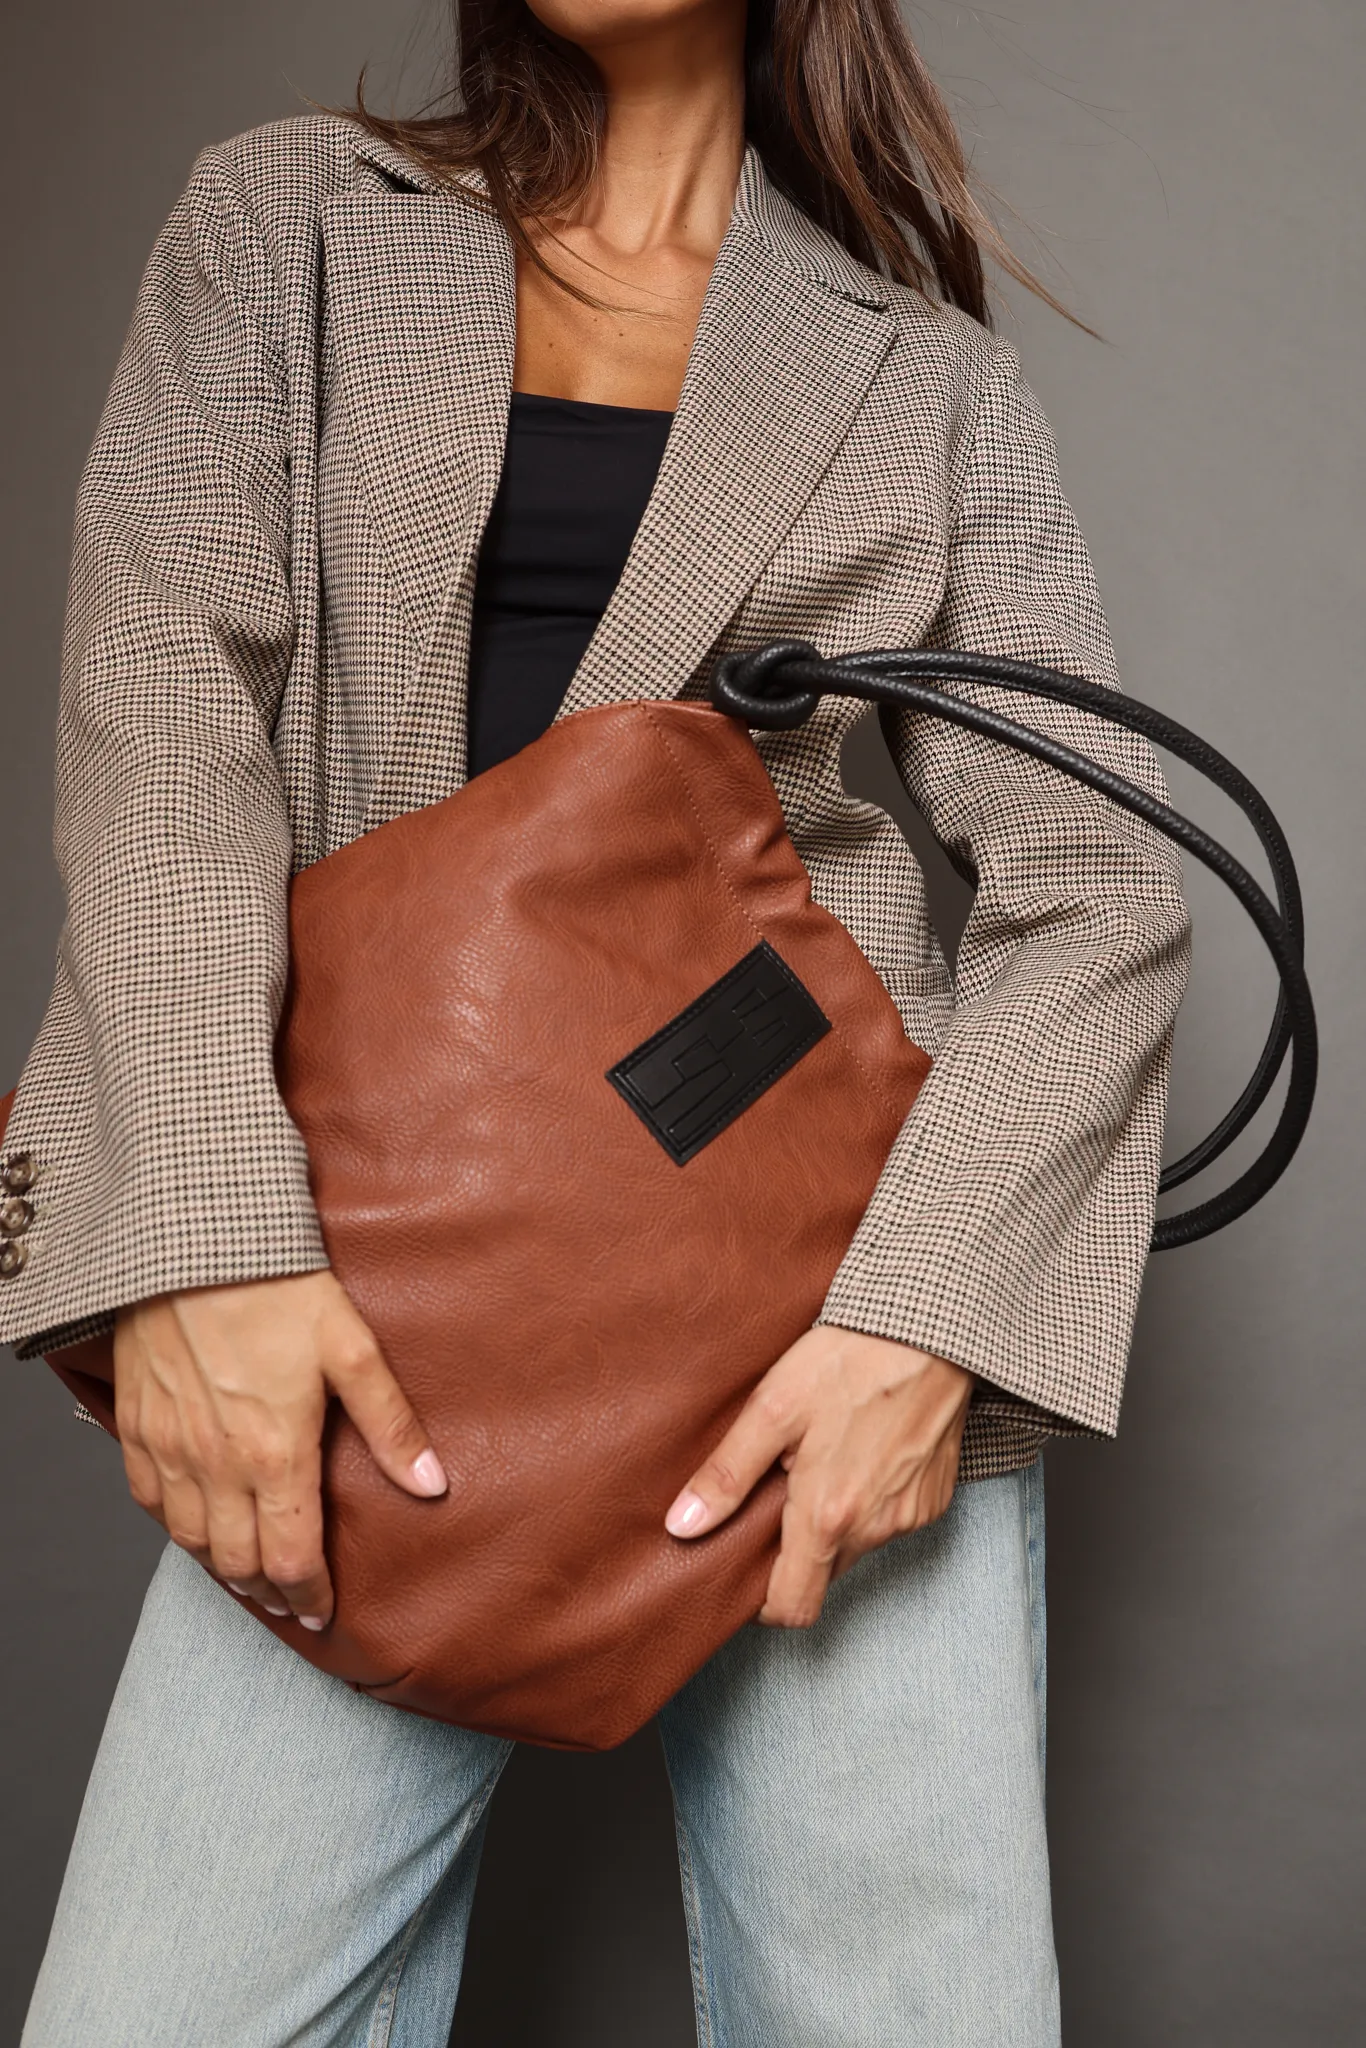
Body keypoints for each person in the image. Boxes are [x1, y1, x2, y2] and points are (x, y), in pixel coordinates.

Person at [4, 0, 1190, 2041]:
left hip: (815, 1306)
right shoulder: (289, 222)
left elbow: (1096, 880)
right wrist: (207, 1237)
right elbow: (158, 734)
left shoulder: (923, 375)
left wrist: (922, 1324)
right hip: (370, 1292)